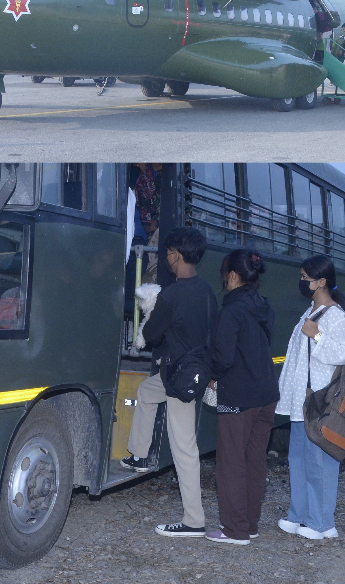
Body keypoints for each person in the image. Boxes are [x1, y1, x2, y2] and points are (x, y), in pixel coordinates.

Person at [121, 226, 218, 538]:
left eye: (167, 252)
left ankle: (194, 521)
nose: (166, 257)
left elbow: (150, 336)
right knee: (146, 393)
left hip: (179, 378)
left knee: (184, 446)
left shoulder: (173, 294)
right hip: (192, 370)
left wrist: (151, 312)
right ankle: (138, 455)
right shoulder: (206, 290)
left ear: (176, 255)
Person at [276, 254, 345, 540]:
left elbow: (344, 353)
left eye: (306, 278)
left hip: (320, 402)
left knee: (320, 461)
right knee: (298, 458)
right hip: (301, 402)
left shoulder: (336, 316)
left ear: (322, 281)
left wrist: (318, 335)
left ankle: (322, 522)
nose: (302, 282)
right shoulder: (310, 312)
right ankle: (299, 513)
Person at [205, 249, 279, 545]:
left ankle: (234, 530)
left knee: (231, 461)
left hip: (238, 394)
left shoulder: (232, 310)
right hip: (267, 392)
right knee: (254, 459)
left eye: (224, 274)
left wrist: (211, 375)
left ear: (233, 276)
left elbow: (223, 358)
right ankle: (250, 523)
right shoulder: (264, 306)